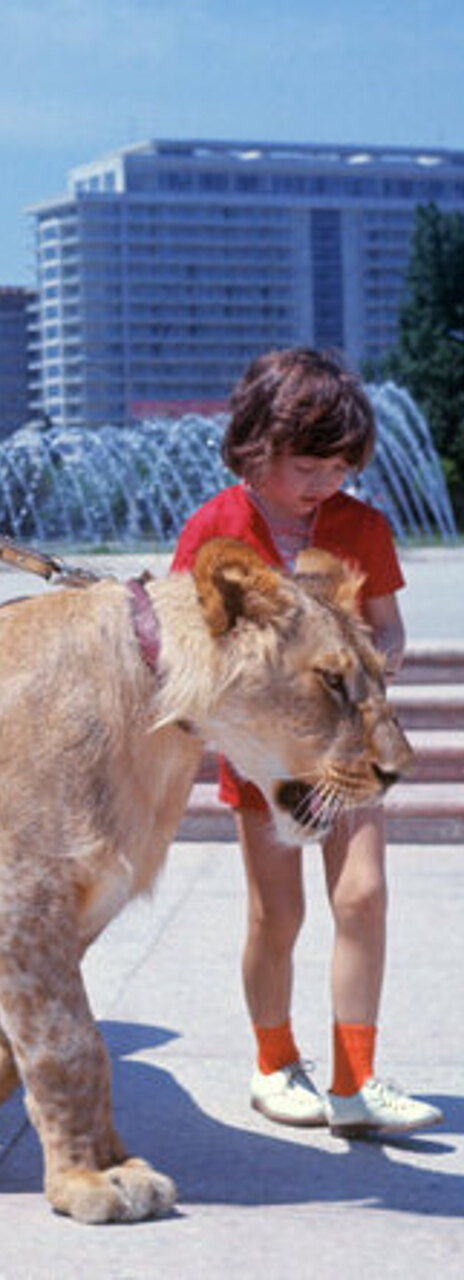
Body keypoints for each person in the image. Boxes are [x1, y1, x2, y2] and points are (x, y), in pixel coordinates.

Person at [171, 347, 442, 1138]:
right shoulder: (216, 528)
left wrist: (370, 658)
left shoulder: (363, 526)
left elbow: (388, 628)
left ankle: (355, 1082)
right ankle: (274, 1062)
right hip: (267, 761)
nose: (326, 484)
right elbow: (192, 642)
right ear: (255, 447)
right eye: (308, 467)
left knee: (362, 896)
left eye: (340, 467)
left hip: (350, 748)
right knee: (276, 916)